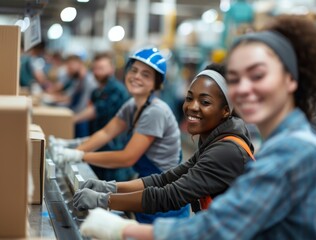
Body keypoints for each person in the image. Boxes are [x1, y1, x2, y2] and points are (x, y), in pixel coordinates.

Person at [79, 15, 316, 240]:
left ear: (290, 80)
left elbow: (214, 228)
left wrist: (120, 226)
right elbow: (170, 177)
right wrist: (111, 188)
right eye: (235, 79)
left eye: (258, 75)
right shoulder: (280, 140)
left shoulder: (289, 154)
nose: (244, 88)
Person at [72, 63, 254, 216]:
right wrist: (110, 187)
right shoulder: (214, 142)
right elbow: (166, 179)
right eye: (189, 98)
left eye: (205, 102)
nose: (192, 107)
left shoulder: (226, 151)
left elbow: (169, 194)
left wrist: (103, 199)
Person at [54, 47, 190, 223]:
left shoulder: (155, 112)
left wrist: (81, 155)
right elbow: (106, 132)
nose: (136, 76)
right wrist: (72, 152)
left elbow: (127, 158)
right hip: (148, 188)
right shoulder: (132, 105)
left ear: (156, 84)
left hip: (166, 200)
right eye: (134, 70)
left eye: (146, 75)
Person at [54, 52, 133, 181]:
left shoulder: (116, 90)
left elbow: (95, 111)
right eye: (95, 68)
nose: (97, 72)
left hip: (113, 147)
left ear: (111, 69)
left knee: (111, 186)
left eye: (102, 68)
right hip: (97, 144)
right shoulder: (96, 91)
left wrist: (71, 120)